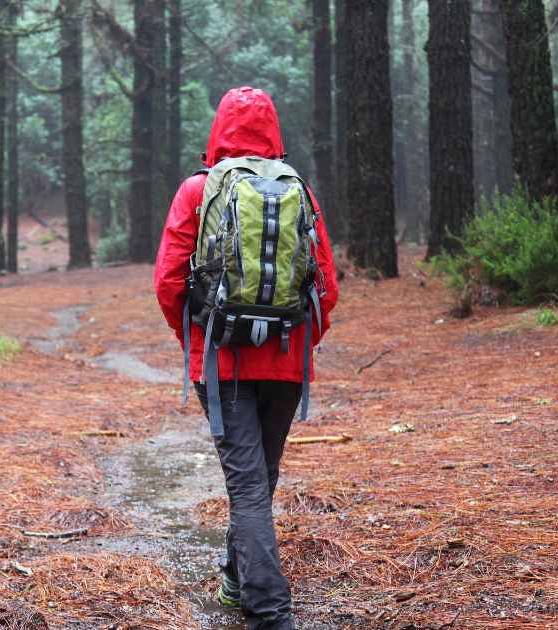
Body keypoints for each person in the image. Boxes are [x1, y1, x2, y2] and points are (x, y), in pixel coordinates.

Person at [153, 86, 340, 629]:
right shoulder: (296, 189)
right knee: (262, 477)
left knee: (248, 484)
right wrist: (298, 341)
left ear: (218, 130)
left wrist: (195, 341)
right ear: (273, 130)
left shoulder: (197, 189)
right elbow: (324, 286)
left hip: (223, 361)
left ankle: (268, 610)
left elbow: (168, 281)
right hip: (286, 360)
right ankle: (239, 575)